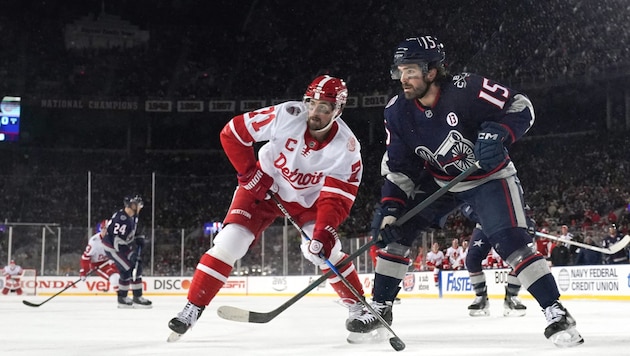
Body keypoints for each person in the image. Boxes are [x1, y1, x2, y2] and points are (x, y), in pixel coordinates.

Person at [349, 35, 583, 347]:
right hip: (439, 180)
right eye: (400, 71)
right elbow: (398, 168)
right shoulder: (396, 112)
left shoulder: (467, 88)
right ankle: (381, 308)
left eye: (411, 71)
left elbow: (520, 105)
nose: (403, 79)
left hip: (489, 177)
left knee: (511, 242)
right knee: (394, 231)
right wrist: (391, 210)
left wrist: (499, 132)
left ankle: (555, 310)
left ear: (432, 71)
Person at [168, 75, 365, 339]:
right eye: (311, 103)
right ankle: (192, 308)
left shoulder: (347, 147)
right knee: (230, 242)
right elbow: (233, 132)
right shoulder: (287, 114)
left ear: (338, 110)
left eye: (324, 107)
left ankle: (359, 307)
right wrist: (249, 173)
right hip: (264, 188)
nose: (314, 112)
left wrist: (325, 231)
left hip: (310, 201)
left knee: (321, 252)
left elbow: (338, 196)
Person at [102, 195, 152, 308]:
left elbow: (129, 234)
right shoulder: (122, 219)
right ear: (131, 205)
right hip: (113, 247)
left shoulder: (132, 216)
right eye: (137, 204)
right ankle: (124, 298)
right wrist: (130, 253)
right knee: (128, 267)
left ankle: (134, 297)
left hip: (120, 245)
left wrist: (138, 237)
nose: (139, 206)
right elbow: (117, 240)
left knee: (136, 266)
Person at [79, 219, 120, 292]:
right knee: (114, 278)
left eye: (108, 229)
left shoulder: (115, 239)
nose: (106, 231)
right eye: (104, 229)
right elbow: (85, 257)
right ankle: (121, 297)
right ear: (101, 229)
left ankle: (124, 296)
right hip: (98, 264)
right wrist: (84, 271)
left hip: (110, 261)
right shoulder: (94, 242)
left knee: (122, 276)